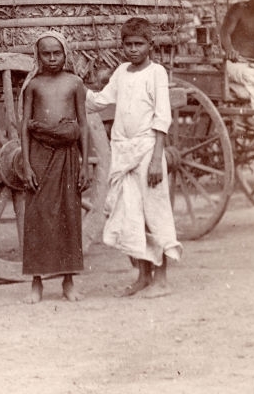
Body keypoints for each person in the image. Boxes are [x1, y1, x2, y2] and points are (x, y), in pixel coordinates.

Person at [86, 17, 182, 297]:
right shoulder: (121, 72)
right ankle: (143, 275)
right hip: (123, 151)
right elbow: (101, 100)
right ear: (121, 46)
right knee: (130, 213)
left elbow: (162, 118)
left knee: (155, 212)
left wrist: (156, 159)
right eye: (128, 44)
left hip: (147, 150)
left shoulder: (156, 74)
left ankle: (161, 279)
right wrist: (78, 91)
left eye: (139, 44)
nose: (133, 50)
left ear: (150, 46)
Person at [19, 32, 89, 303]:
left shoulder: (75, 83)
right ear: (38, 56)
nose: (51, 59)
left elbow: (83, 124)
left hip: (68, 156)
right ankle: (36, 283)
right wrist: (25, 164)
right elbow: (25, 126)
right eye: (45, 54)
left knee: (68, 216)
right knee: (37, 216)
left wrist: (86, 164)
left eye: (56, 53)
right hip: (39, 155)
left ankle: (68, 281)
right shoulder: (33, 86)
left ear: (65, 54)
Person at [220, 0, 254, 108]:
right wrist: (230, 50)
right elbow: (224, 33)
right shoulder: (239, 9)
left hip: (253, 65)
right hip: (234, 64)